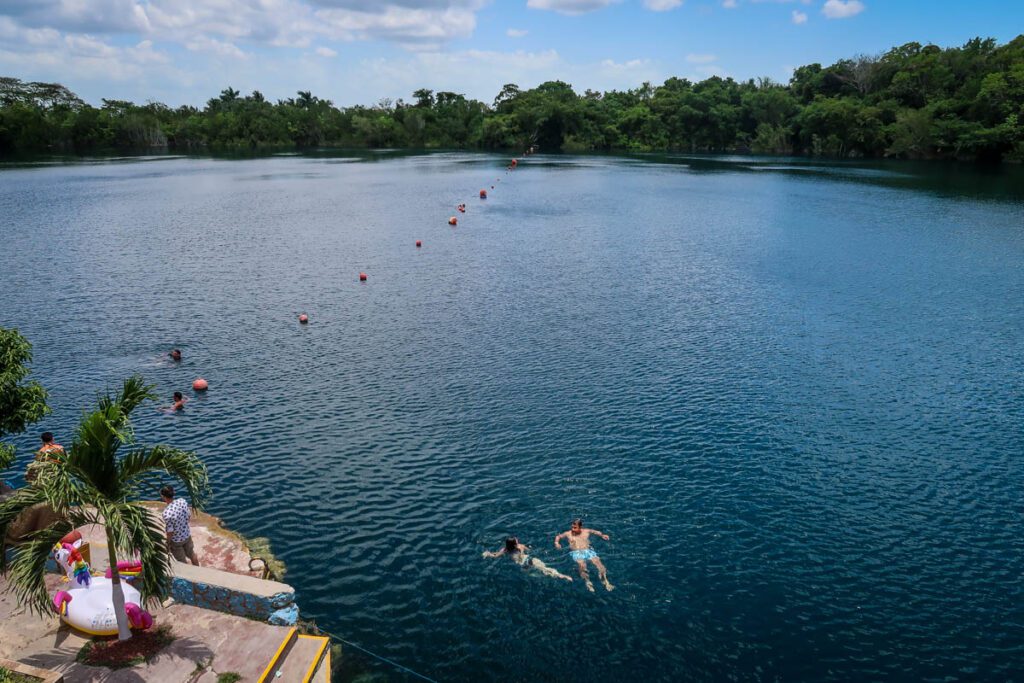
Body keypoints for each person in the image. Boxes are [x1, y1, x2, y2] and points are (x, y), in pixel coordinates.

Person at [554, 518, 614, 592]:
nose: (573, 529)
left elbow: (595, 532)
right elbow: (558, 536)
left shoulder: (586, 531)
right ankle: (587, 581)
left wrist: (602, 535)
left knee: (600, 566)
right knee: (582, 567)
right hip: (577, 553)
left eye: (575, 527)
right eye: (572, 527)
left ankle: (606, 581)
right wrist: (557, 543)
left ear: (580, 527)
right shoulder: (568, 533)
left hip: (588, 551)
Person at [484, 537, 572, 582]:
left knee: (532, 574)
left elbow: (495, 555)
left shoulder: (505, 550)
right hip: (529, 560)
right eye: (516, 540)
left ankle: (538, 575)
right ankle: (562, 576)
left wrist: (488, 554)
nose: (517, 540)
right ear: (515, 544)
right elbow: (529, 550)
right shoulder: (520, 546)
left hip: (522, 566)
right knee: (544, 569)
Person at [160, 485, 200, 565]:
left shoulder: (166, 513)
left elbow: (170, 531)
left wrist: (168, 542)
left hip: (176, 541)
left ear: (163, 497)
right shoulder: (182, 501)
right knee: (192, 554)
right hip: (186, 535)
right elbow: (188, 516)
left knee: (182, 561)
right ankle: (198, 571)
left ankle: (188, 577)